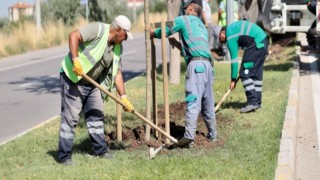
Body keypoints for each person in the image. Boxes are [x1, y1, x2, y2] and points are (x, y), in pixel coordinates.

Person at [57, 15, 134, 165]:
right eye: (125, 35)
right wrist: (76, 60)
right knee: (71, 118)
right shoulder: (98, 29)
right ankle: (64, 157)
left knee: (96, 115)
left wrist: (124, 97)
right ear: (118, 30)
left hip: (92, 83)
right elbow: (73, 35)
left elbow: (117, 72)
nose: (125, 39)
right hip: (74, 78)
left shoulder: (118, 47)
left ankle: (101, 150)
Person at [150, 0, 218, 146]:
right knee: (208, 104)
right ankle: (213, 135)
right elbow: (195, 49)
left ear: (191, 8)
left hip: (196, 68)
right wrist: (177, 45)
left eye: (185, 8)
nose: (184, 10)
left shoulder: (183, 20)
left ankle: (189, 138)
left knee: (192, 101)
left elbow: (166, 30)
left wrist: (152, 33)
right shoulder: (201, 25)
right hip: (208, 67)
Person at [213, 20, 269, 113]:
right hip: (263, 41)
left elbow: (234, 61)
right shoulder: (232, 29)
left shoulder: (230, 37)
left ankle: (252, 102)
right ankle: (257, 102)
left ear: (222, 32)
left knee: (244, 73)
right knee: (256, 74)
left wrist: (233, 79)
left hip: (256, 43)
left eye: (219, 37)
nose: (220, 40)